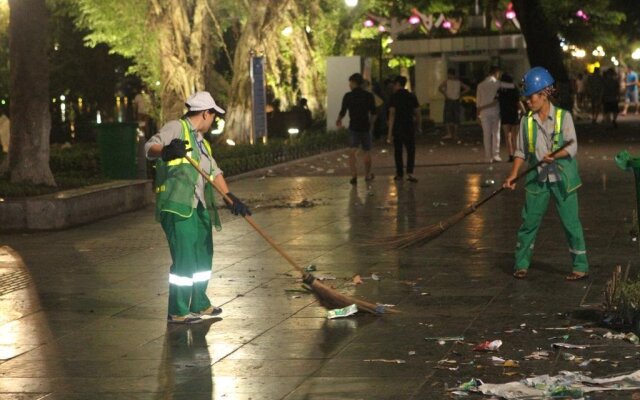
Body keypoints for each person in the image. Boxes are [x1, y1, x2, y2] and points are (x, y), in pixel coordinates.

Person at [145, 91, 251, 324]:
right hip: (177, 205)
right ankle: (179, 311)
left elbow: (214, 172)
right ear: (205, 113)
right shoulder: (176, 128)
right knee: (184, 260)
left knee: (203, 256)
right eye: (214, 116)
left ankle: (200, 304)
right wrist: (166, 151)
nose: (214, 120)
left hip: (200, 206)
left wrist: (230, 198)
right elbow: (149, 147)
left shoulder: (202, 143)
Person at [503, 67, 588, 281]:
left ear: (544, 94)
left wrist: (555, 155)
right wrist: (513, 175)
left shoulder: (563, 117)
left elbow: (572, 147)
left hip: (563, 178)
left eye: (531, 96)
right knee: (528, 222)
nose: (528, 101)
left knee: (571, 223)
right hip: (537, 178)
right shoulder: (526, 121)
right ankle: (521, 264)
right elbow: (521, 151)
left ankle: (580, 266)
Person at [336, 73, 377, 185]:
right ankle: (367, 175)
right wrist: (371, 123)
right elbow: (374, 113)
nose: (349, 85)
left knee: (352, 151)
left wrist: (338, 120)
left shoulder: (348, 96)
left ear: (354, 83)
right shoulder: (368, 96)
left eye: (350, 82)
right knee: (367, 151)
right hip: (365, 127)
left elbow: (343, 111)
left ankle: (354, 176)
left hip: (353, 127)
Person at [386, 75, 421, 183]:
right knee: (411, 150)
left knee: (398, 151)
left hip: (397, 127)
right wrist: (419, 126)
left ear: (397, 84)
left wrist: (389, 133)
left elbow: (392, 114)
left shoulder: (394, 97)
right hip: (409, 126)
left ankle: (399, 173)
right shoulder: (411, 96)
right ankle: (410, 172)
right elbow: (418, 113)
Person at [476, 65, 502, 163]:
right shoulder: (498, 84)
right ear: (496, 73)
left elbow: (478, 102)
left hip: (484, 112)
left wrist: (477, 115)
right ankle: (496, 155)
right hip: (495, 111)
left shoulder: (480, 85)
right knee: (496, 133)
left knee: (486, 134)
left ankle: (488, 157)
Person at [497, 73, 524, 162]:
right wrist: (524, 111)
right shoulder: (514, 89)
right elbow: (518, 102)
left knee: (507, 136)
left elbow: (497, 100)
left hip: (504, 113)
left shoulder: (500, 89)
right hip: (513, 113)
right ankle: (516, 154)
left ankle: (510, 155)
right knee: (515, 136)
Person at [438, 68, 470, 141]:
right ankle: (455, 134)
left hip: (449, 100)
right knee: (456, 117)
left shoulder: (447, 81)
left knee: (447, 116)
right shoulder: (458, 82)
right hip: (456, 100)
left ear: (449, 74)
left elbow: (439, 88)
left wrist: (445, 94)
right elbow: (468, 88)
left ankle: (449, 133)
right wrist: (460, 94)